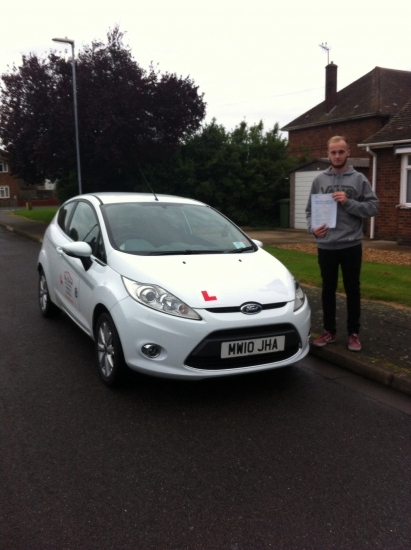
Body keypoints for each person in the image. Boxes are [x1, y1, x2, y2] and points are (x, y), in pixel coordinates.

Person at [305, 136, 379, 352]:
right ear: (328, 155)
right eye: (333, 152)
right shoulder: (319, 180)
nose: (337, 156)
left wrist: (349, 202)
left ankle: (353, 334)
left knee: (352, 289)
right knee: (328, 290)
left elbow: (373, 207)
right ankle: (329, 331)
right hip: (326, 245)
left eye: (341, 152)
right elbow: (309, 211)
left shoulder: (359, 179)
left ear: (348, 153)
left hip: (350, 244)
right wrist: (313, 229)